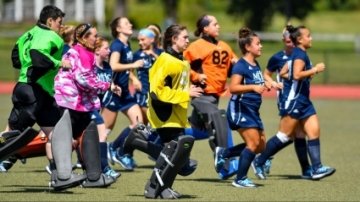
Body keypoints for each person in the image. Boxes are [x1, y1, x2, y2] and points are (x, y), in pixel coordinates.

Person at [252, 25, 336, 180]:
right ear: (300, 39)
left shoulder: (299, 54)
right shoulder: (298, 54)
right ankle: (259, 160)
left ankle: (316, 168)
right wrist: (315, 70)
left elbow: (284, 72)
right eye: (308, 36)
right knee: (284, 136)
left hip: (304, 101)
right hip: (294, 101)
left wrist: (291, 75)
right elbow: (297, 75)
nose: (311, 38)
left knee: (313, 132)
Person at [50, 23, 119, 190]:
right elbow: (83, 79)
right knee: (65, 137)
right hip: (68, 100)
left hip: (79, 102)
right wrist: (105, 85)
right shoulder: (80, 52)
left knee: (88, 131)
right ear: (83, 37)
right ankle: (60, 176)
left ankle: (93, 177)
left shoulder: (84, 52)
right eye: (93, 36)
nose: (96, 39)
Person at [0, 5, 70, 167]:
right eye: (59, 22)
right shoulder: (50, 36)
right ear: (50, 20)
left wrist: (29, 66)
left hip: (38, 91)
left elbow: (16, 60)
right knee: (12, 135)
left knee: (56, 135)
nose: (60, 25)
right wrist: (59, 63)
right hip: (33, 91)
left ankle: (60, 174)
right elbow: (38, 56)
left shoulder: (27, 35)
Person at [143, 24, 203, 199]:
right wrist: (186, 93)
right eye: (184, 37)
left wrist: (188, 87)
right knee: (175, 153)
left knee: (176, 154)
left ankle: (162, 187)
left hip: (177, 115)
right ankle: (157, 187)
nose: (187, 40)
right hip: (164, 113)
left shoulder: (182, 61)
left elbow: (175, 85)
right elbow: (156, 91)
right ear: (173, 39)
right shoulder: (165, 60)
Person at [183, 14, 238, 179]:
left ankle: (162, 138)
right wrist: (196, 77)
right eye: (215, 24)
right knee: (221, 123)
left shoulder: (225, 46)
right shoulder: (196, 47)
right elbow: (181, 67)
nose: (218, 27)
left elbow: (233, 68)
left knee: (200, 131)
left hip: (215, 96)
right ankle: (228, 166)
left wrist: (239, 66)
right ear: (205, 28)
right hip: (201, 95)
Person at [214, 27, 271, 188]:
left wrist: (268, 83)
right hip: (240, 109)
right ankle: (240, 179)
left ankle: (224, 153)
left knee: (261, 146)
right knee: (252, 144)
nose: (261, 46)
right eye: (258, 44)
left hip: (253, 110)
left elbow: (257, 82)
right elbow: (233, 88)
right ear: (247, 47)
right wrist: (253, 87)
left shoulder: (255, 64)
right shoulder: (240, 65)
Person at [256, 26, 311, 178]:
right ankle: (261, 159)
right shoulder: (277, 58)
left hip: (299, 98)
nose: (291, 44)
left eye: (292, 41)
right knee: (288, 135)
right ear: (284, 41)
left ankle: (306, 170)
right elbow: (266, 74)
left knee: (297, 134)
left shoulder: (300, 55)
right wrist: (273, 83)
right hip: (286, 99)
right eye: (287, 41)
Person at [102, 17, 144, 171]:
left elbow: (125, 68)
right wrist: (134, 65)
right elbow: (113, 66)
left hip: (125, 94)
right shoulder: (117, 45)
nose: (130, 25)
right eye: (126, 24)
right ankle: (89, 160)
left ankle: (114, 148)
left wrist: (133, 78)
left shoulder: (127, 44)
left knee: (138, 124)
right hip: (114, 93)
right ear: (118, 29)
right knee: (104, 131)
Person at [93, 36, 121, 178]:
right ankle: (104, 168)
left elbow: (108, 83)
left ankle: (94, 168)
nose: (109, 51)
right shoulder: (90, 66)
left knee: (87, 138)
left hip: (96, 107)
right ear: (97, 50)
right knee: (100, 134)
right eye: (106, 48)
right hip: (86, 107)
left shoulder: (107, 67)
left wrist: (113, 87)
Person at [132, 28, 163, 125]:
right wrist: (134, 79)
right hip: (143, 90)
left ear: (152, 40)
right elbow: (129, 71)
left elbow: (166, 67)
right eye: (138, 40)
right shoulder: (137, 55)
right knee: (148, 121)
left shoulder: (160, 52)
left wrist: (154, 55)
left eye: (143, 40)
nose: (140, 43)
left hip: (158, 92)